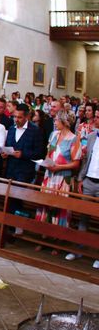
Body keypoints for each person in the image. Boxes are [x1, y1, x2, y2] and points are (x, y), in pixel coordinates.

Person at [36, 110, 82, 233]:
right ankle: (43, 236)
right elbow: (48, 154)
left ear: (65, 121)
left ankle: (57, 239)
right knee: (46, 205)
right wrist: (45, 162)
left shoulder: (73, 139)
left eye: (57, 120)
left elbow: (76, 163)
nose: (55, 122)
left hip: (63, 179)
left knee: (59, 209)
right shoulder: (53, 135)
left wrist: (58, 167)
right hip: (49, 176)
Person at [3, 103, 43, 233]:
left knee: (17, 196)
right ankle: (10, 225)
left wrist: (23, 154)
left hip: (25, 170)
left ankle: (17, 226)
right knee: (9, 196)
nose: (16, 120)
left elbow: (39, 153)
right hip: (11, 168)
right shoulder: (12, 129)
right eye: (15, 117)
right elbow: (8, 145)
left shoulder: (35, 130)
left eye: (19, 117)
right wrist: (5, 152)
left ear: (26, 117)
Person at [73, 108, 99, 268]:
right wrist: (81, 178)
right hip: (89, 180)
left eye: (98, 117)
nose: (96, 120)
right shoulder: (91, 137)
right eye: (95, 117)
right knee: (84, 216)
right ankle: (79, 249)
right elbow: (86, 160)